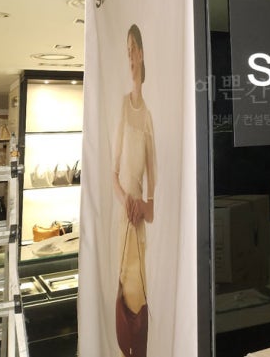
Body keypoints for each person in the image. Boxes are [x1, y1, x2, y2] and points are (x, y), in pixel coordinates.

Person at [112, 24, 157, 357]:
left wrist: (144, 206)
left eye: (132, 50)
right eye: (126, 51)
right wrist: (126, 200)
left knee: (141, 295)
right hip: (124, 220)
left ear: (141, 54)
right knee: (126, 291)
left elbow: (154, 182)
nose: (129, 56)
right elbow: (113, 174)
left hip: (140, 223)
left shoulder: (149, 115)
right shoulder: (123, 106)